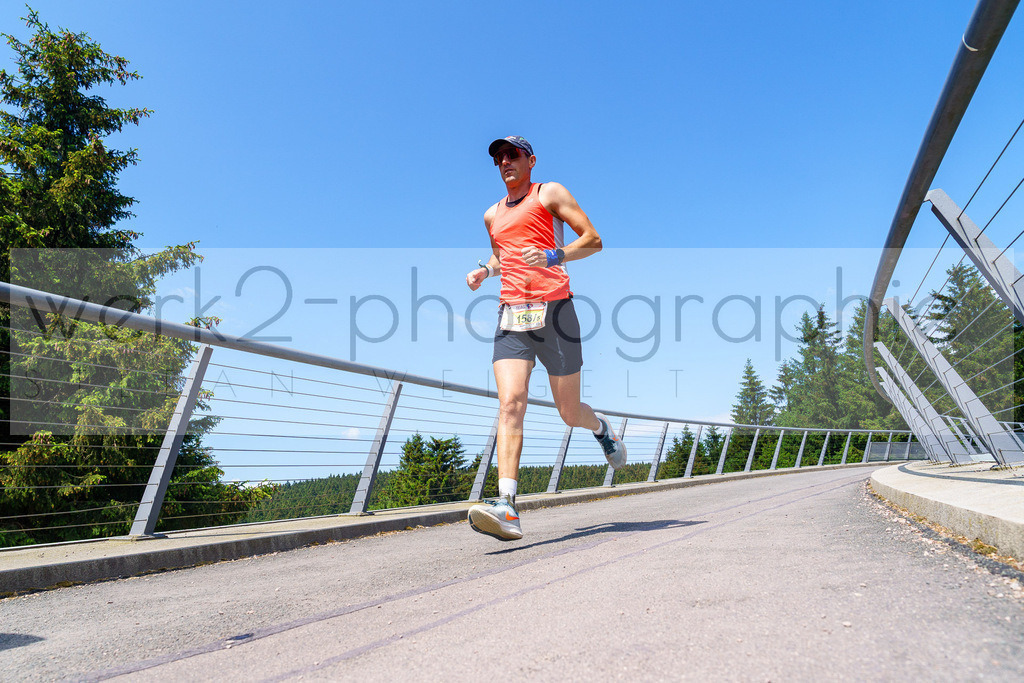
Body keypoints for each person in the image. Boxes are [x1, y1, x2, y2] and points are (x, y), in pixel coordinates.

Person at [465, 135, 626, 541]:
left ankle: (601, 428)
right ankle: (507, 505)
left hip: (555, 310)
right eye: (499, 158)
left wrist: (555, 255)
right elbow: (504, 254)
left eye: (512, 155)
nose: (505, 162)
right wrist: (486, 270)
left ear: (530, 160)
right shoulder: (491, 215)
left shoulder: (548, 192)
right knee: (510, 402)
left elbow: (593, 239)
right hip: (511, 315)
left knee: (568, 412)